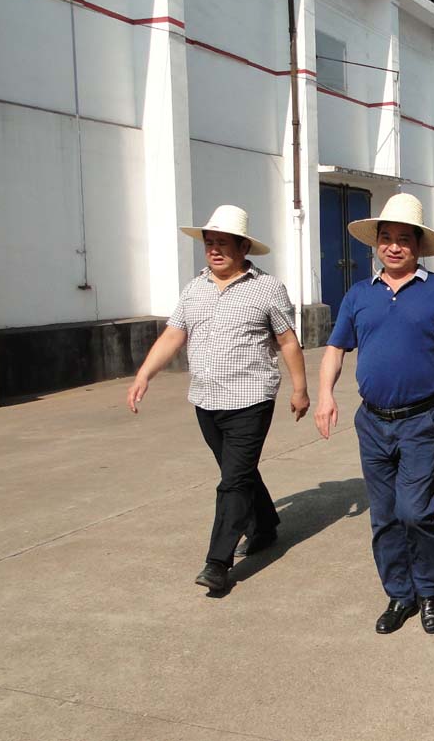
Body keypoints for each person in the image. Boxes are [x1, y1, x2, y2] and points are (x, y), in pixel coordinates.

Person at [314, 193, 434, 636]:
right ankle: (399, 594)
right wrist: (325, 395)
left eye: (404, 239)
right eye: (386, 238)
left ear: (418, 245)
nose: (394, 246)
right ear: (376, 243)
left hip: (421, 419)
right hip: (372, 421)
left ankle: (429, 591)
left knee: (415, 512)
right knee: (383, 514)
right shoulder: (359, 295)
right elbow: (335, 349)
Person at [127, 205, 310, 593]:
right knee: (237, 472)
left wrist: (300, 388)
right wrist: (144, 374)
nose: (214, 250)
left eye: (223, 243)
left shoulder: (267, 288)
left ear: (243, 247)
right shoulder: (194, 288)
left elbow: (287, 341)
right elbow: (173, 335)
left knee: (232, 481)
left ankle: (217, 563)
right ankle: (265, 525)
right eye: (209, 242)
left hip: (251, 398)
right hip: (206, 399)